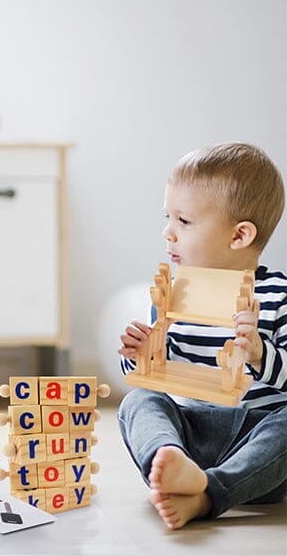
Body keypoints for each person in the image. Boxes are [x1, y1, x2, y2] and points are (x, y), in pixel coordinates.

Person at [117, 142, 286, 530]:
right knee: (139, 400)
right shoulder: (173, 296)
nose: (168, 233)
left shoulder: (278, 295)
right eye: (168, 217)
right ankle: (168, 460)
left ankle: (210, 492)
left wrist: (260, 353)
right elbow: (157, 371)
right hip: (191, 434)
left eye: (185, 222)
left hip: (257, 443)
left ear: (239, 235)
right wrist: (142, 353)